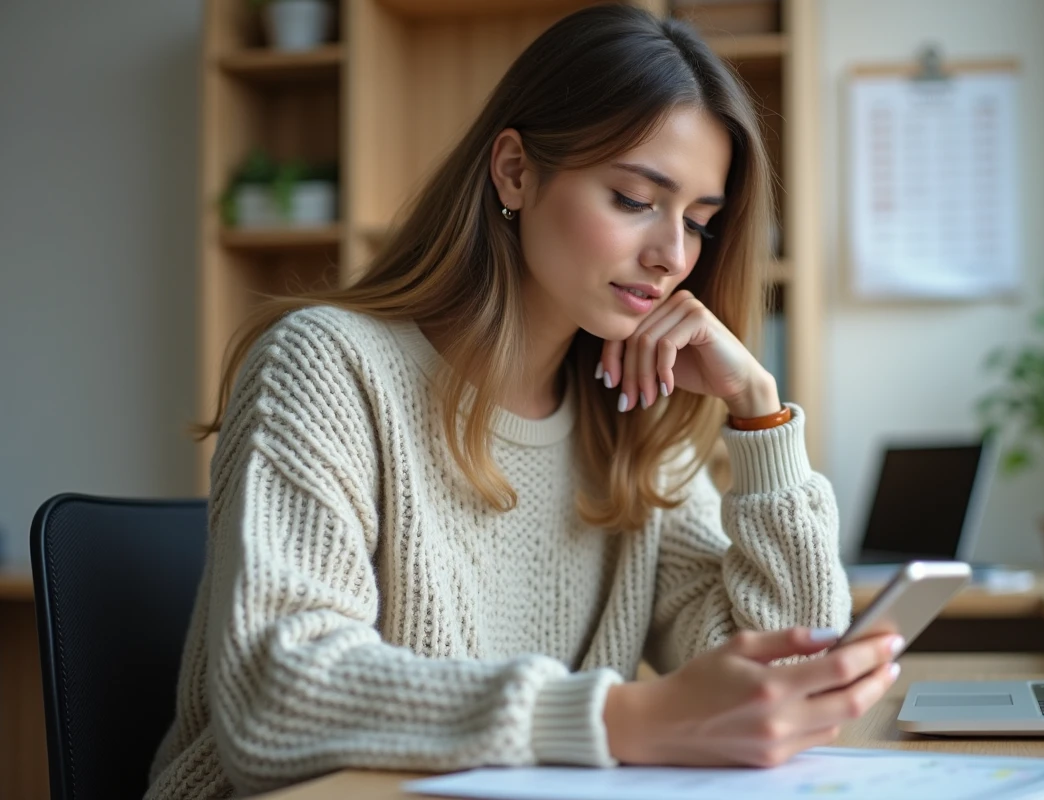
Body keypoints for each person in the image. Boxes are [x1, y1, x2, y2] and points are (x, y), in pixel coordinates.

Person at [146, 5, 901, 798]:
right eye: (634, 199)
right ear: (514, 171)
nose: (672, 255)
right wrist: (616, 719)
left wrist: (759, 413)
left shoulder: (633, 415)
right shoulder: (328, 365)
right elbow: (277, 699)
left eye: (699, 223)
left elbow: (788, 676)